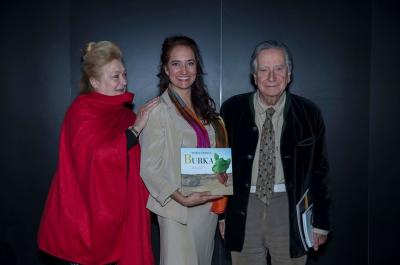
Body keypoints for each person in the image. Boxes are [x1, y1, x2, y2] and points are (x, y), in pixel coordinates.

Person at [37, 41, 158, 265]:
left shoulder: (125, 117)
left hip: (119, 226)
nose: (124, 82)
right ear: (94, 81)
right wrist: (136, 130)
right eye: (115, 76)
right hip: (83, 223)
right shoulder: (81, 112)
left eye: (124, 74)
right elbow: (98, 158)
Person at [219, 40, 330, 265]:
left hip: (290, 208)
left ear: (289, 74)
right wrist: (222, 214)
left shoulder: (309, 113)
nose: (271, 77)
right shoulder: (231, 110)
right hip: (243, 206)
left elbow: (320, 171)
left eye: (279, 69)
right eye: (264, 69)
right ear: (254, 75)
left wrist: (320, 222)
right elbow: (221, 165)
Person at [140, 35, 228, 265]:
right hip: (177, 209)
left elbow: (218, 159)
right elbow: (149, 168)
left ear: (197, 67)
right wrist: (182, 199)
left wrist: (220, 202)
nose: (184, 70)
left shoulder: (207, 111)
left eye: (190, 63)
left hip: (207, 206)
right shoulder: (158, 110)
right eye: (176, 64)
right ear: (166, 70)